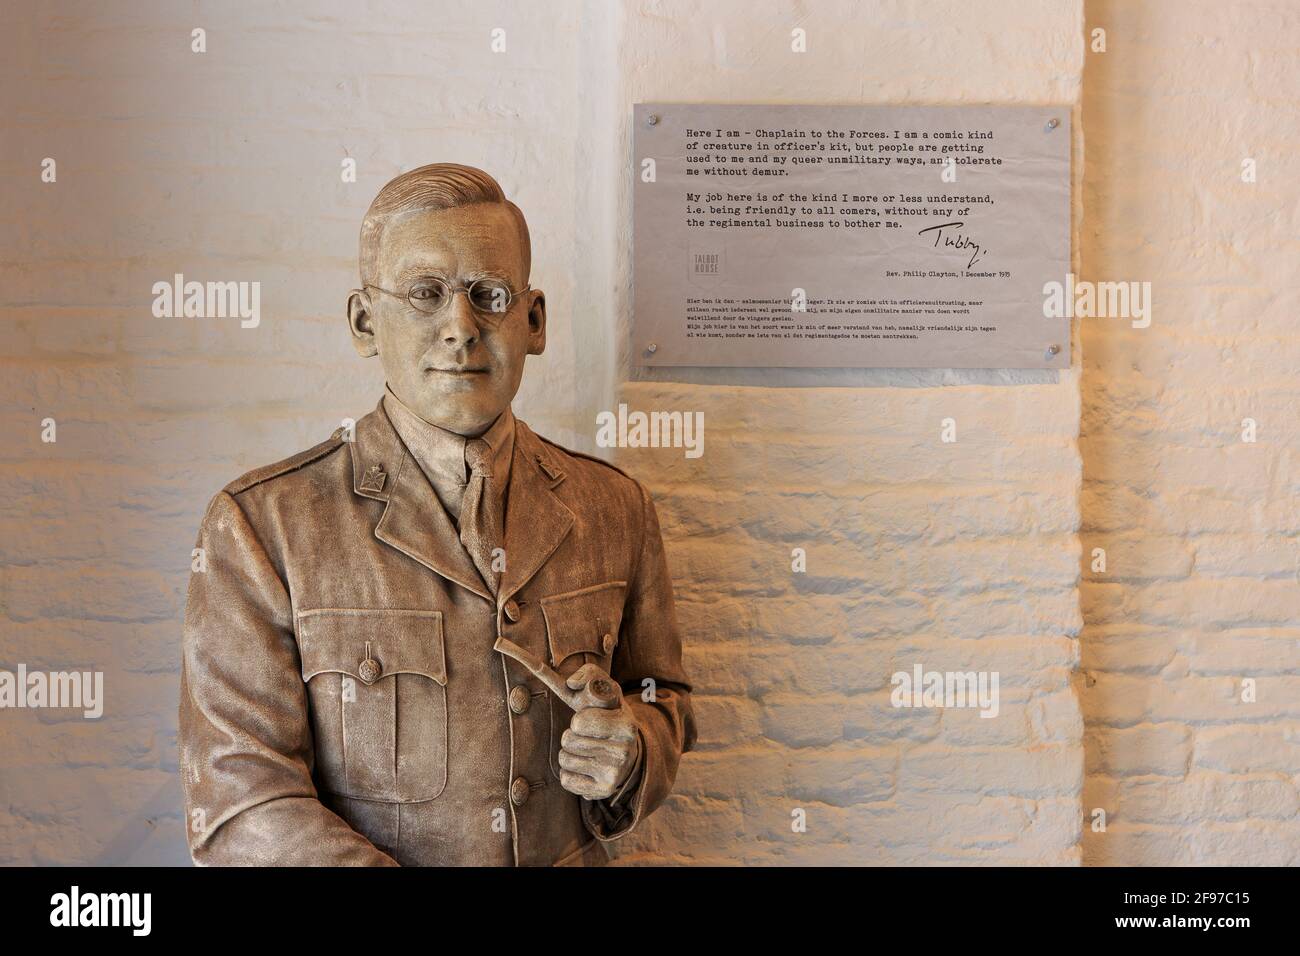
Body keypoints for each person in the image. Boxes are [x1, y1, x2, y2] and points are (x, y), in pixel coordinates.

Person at [179, 163, 696, 866]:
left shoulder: (614, 510)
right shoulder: (263, 529)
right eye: (425, 294)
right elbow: (241, 800)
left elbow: (661, 696)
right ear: (365, 322)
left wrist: (632, 747)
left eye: (490, 295)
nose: (460, 328)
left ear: (534, 320)